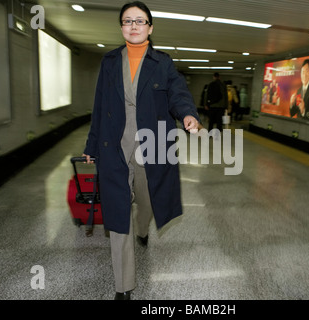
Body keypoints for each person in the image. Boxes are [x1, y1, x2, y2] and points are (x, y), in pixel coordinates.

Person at [82, 1, 200, 300]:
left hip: (153, 146)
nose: (133, 26)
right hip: (115, 148)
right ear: (121, 26)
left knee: (147, 201)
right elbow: (99, 106)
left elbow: (178, 93)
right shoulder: (109, 61)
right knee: (118, 211)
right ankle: (123, 286)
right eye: (127, 21)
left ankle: (144, 228)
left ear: (150, 27)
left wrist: (187, 114)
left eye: (140, 21)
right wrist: (92, 144)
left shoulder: (162, 62)